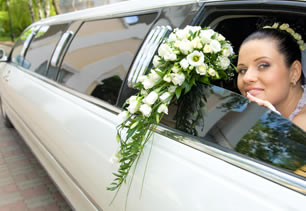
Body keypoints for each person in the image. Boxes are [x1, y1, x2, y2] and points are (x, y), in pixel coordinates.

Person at [237, 23, 306, 131]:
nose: (247, 77)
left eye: (263, 65)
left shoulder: (302, 125)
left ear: (294, 72)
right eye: (242, 70)